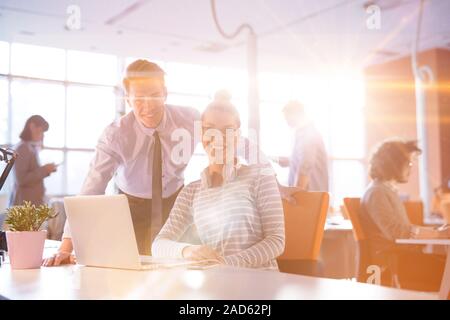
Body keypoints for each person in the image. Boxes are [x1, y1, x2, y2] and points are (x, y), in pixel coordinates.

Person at [152, 94, 285, 270]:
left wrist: (226, 264)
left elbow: (276, 240)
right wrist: (188, 251)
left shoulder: (260, 178)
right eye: (210, 129)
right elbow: (158, 245)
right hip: (217, 283)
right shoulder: (192, 191)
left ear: (238, 136)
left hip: (259, 284)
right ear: (201, 134)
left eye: (228, 130)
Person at [360, 138, 449, 291]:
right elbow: (397, 232)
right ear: (393, 164)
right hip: (392, 265)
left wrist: (439, 233)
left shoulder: (386, 191)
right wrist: (438, 234)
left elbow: (402, 231)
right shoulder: (377, 193)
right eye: (408, 163)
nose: (411, 168)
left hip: (400, 260)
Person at [276, 101, 328, 192]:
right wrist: (291, 161)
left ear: (296, 114)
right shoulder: (303, 134)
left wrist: (296, 195)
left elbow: (306, 166)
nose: (287, 121)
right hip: (309, 197)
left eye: (287, 117)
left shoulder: (307, 134)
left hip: (309, 198)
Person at [9, 115, 57, 207]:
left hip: (30, 204)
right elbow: (21, 179)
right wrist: (44, 170)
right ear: (32, 127)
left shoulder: (29, 147)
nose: (42, 134)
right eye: (41, 130)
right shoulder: (23, 148)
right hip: (24, 205)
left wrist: (46, 170)